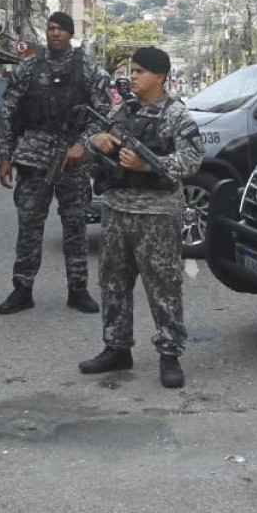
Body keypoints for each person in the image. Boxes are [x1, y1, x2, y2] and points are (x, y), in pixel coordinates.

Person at [77, 45, 204, 389]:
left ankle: (169, 354)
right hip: (118, 209)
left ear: (160, 77)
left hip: (157, 214)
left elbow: (192, 160)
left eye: (140, 72)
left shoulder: (177, 116)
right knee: (113, 282)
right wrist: (97, 142)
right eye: (131, 71)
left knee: (163, 284)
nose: (132, 77)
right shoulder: (123, 111)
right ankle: (116, 347)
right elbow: (95, 147)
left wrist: (148, 165)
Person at [0, 11, 110, 314]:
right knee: (29, 224)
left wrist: (81, 145)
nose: (54, 33)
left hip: (72, 159)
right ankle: (22, 289)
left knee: (75, 225)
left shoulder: (86, 68)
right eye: (50, 28)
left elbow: (103, 115)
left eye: (60, 28)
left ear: (71, 33)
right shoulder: (30, 65)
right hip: (33, 154)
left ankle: (78, 289)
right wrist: (6, 155)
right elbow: (9, 110)